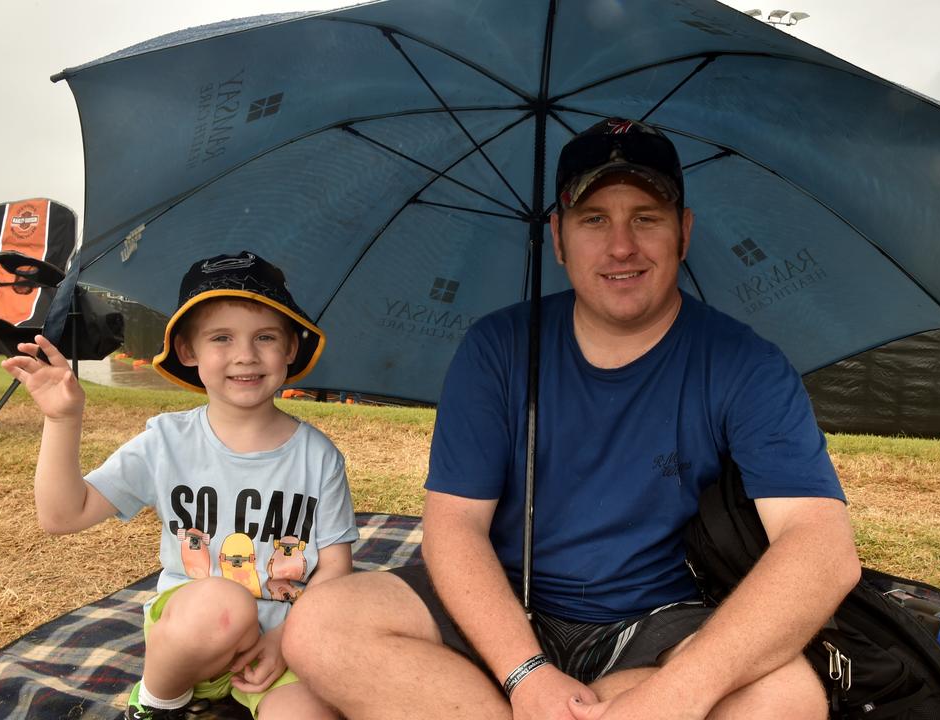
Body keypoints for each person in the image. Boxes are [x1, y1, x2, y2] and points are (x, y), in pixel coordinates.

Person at [283, 117, 860, 719]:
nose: (621, 247)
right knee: (322, 624)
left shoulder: (747, 363)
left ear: (683, 232)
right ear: (557, 238)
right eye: (594, 220)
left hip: (658, 626)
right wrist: (525, 675)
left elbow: (820, 548)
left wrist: (674, 696)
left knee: (785, 698)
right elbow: (453, 527)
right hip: (505, 608)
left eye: (646, 217)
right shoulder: (498, 346)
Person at [1, 251, 357, 720]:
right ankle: (155, 705)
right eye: (221, 338)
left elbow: (335, 568)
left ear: (291, 348)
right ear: (188, 351)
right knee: (223, 603)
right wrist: (63, 420)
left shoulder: (319, 457)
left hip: (280, 643)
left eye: (266, 337)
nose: (245, 355)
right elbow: (62, 516)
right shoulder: (167, 441)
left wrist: (287, 642)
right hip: (191, 635)